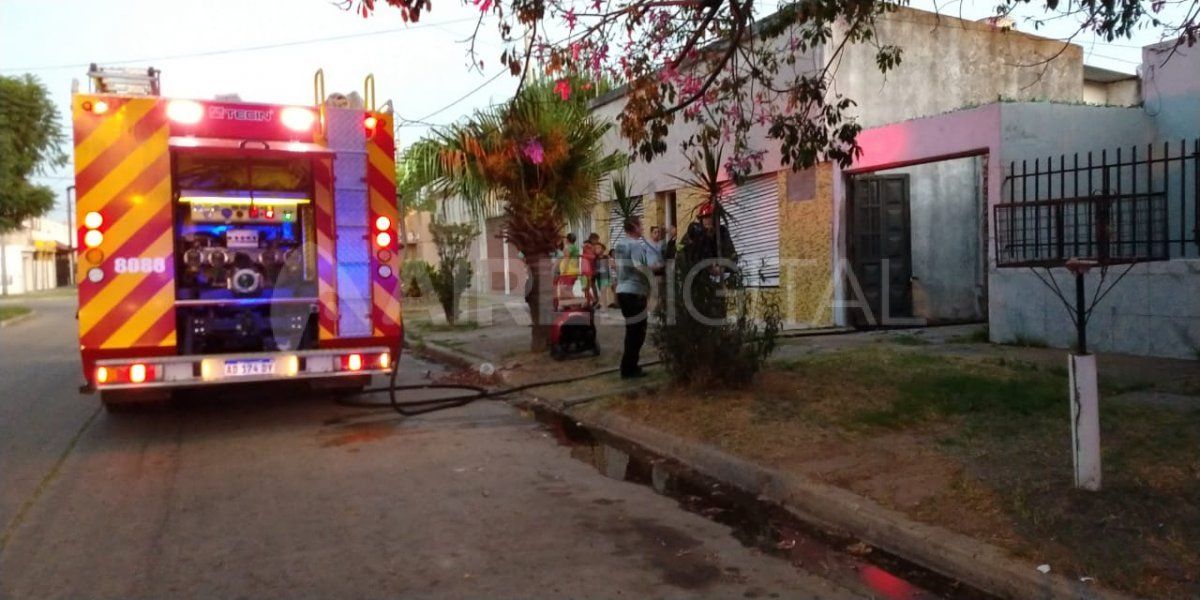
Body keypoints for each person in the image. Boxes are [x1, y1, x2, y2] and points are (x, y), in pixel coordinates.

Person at [613, 216, 662, 379]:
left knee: (632, 330)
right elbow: (640, 267)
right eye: (641, 225)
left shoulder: (620, 244)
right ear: (634, 227)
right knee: (637, 332)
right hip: (634, 291)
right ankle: (629, 369)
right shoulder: (635, 245)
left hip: (622, 290)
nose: (643, 228)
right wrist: (656, 269)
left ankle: (628, 366)